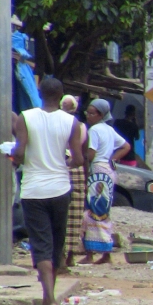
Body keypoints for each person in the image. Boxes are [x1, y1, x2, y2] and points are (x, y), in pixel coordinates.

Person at [11, 77, 84, 305]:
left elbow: (19, 153)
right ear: (62, 96)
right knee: (55, 243)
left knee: (40, 244)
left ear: (39, 93)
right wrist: (67, 162)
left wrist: (13, 155)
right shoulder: (71, 122)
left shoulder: (25, 117)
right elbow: (78, 159)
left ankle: (50, 301)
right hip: (60, 188)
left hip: (33, 190)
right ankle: (47, 304)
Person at [80, 99, 130, 265]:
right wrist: (113, 158)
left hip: (98, 171)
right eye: (87, 112)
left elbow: (91, 154)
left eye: (92, 113)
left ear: (100, 115)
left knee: (92, 210)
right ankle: (105, 251)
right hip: (108, 171)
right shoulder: (109, 129)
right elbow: (126, 146)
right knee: (103, 210)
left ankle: (91, 253)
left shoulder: (94, 130)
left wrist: (82, 162)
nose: (88, 116)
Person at [60, 95, 87, 269]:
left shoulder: (66, 124)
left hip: (66, 167)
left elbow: (83, 154)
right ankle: (66, 256)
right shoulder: (80, 126)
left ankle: (67, 255)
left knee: (72, 214)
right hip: (72, 168)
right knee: (71, 213)